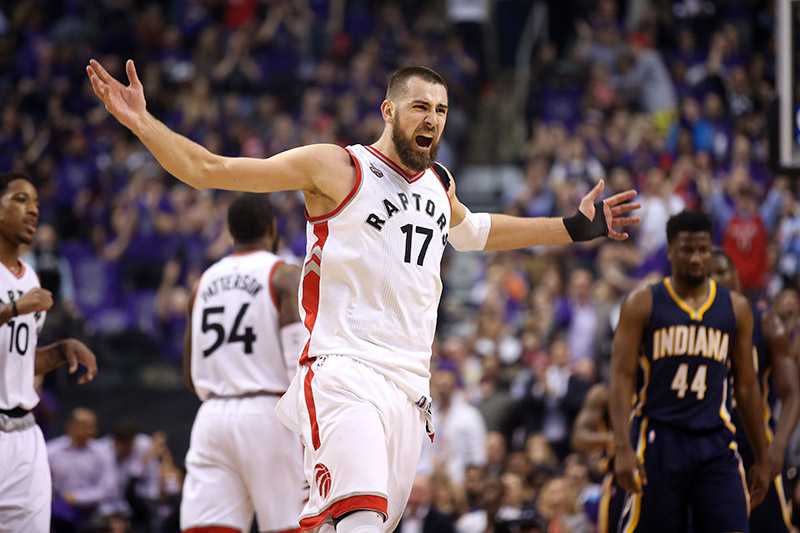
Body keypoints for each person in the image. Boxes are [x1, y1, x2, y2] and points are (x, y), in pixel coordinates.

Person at [87, 59, 640, 533]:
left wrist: (571, 227)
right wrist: (142, 122)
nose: (433, 119)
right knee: (362, 518)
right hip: (342, 371)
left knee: (352, 520)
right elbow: (210, 170)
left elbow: (477, 233)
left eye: (442, 110)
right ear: (389, 110)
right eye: (420, 107)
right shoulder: (338, 166)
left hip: (408, 391)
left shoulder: (437, 184)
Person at [609, 210, 771, 533]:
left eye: (703, 250)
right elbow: (621, 378)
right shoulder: (642, 303)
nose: (696, 258)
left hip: (715, 442)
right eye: (687, 250)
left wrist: (763, 458)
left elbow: (748, 387)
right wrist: (623, 448)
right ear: (669, 251)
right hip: (659, 440)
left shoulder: (735, 307)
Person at [181, 193, 307, 533]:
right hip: (271, 415)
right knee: (291, 525)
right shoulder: (283, 275)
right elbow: (300, 363)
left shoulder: (202, 283)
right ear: (273, 228)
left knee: (207, 526)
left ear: (230, 231)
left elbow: (190, 373)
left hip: (211, 418)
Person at [0, 171, 98, 533]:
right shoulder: (23, 296)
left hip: (25, 434)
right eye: (20, 200)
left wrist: (60, 350)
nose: (33, 211)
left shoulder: (30, 279)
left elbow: (19, 360)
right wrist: (12, 310)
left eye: (37, 204)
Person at [710, 249, 800, 532]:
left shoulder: (766, 322)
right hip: (708, 444)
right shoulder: (690, 325)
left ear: (736, 278)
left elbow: (792, 393)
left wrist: (778, 445)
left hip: (754, 443)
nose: (715, 280)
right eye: (708, 274)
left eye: (721, 272)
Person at [47, 407, 119, 533]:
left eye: (93, 427)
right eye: (86, 427)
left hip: (93, 513)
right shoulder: (51, 451)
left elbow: (108, 489)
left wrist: (77, 497)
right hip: (58, 513)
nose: (92, 431)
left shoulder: (103, 452)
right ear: (71, 426)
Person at [571, 383, 624, 533]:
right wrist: (616, 440)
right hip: (619, 481)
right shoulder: (603, 392)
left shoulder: (659, 383)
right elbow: (578, 437)